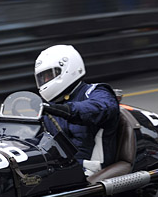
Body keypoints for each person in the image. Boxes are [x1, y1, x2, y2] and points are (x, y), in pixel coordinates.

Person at [34, 44, 119, 173]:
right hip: (59, 167)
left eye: (49, 76)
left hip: (90, 170)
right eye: (42, 78)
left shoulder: (96, 92)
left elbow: (99, 108)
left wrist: (67, 110)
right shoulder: (49, 107)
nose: (45, 81)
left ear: (69, 68)